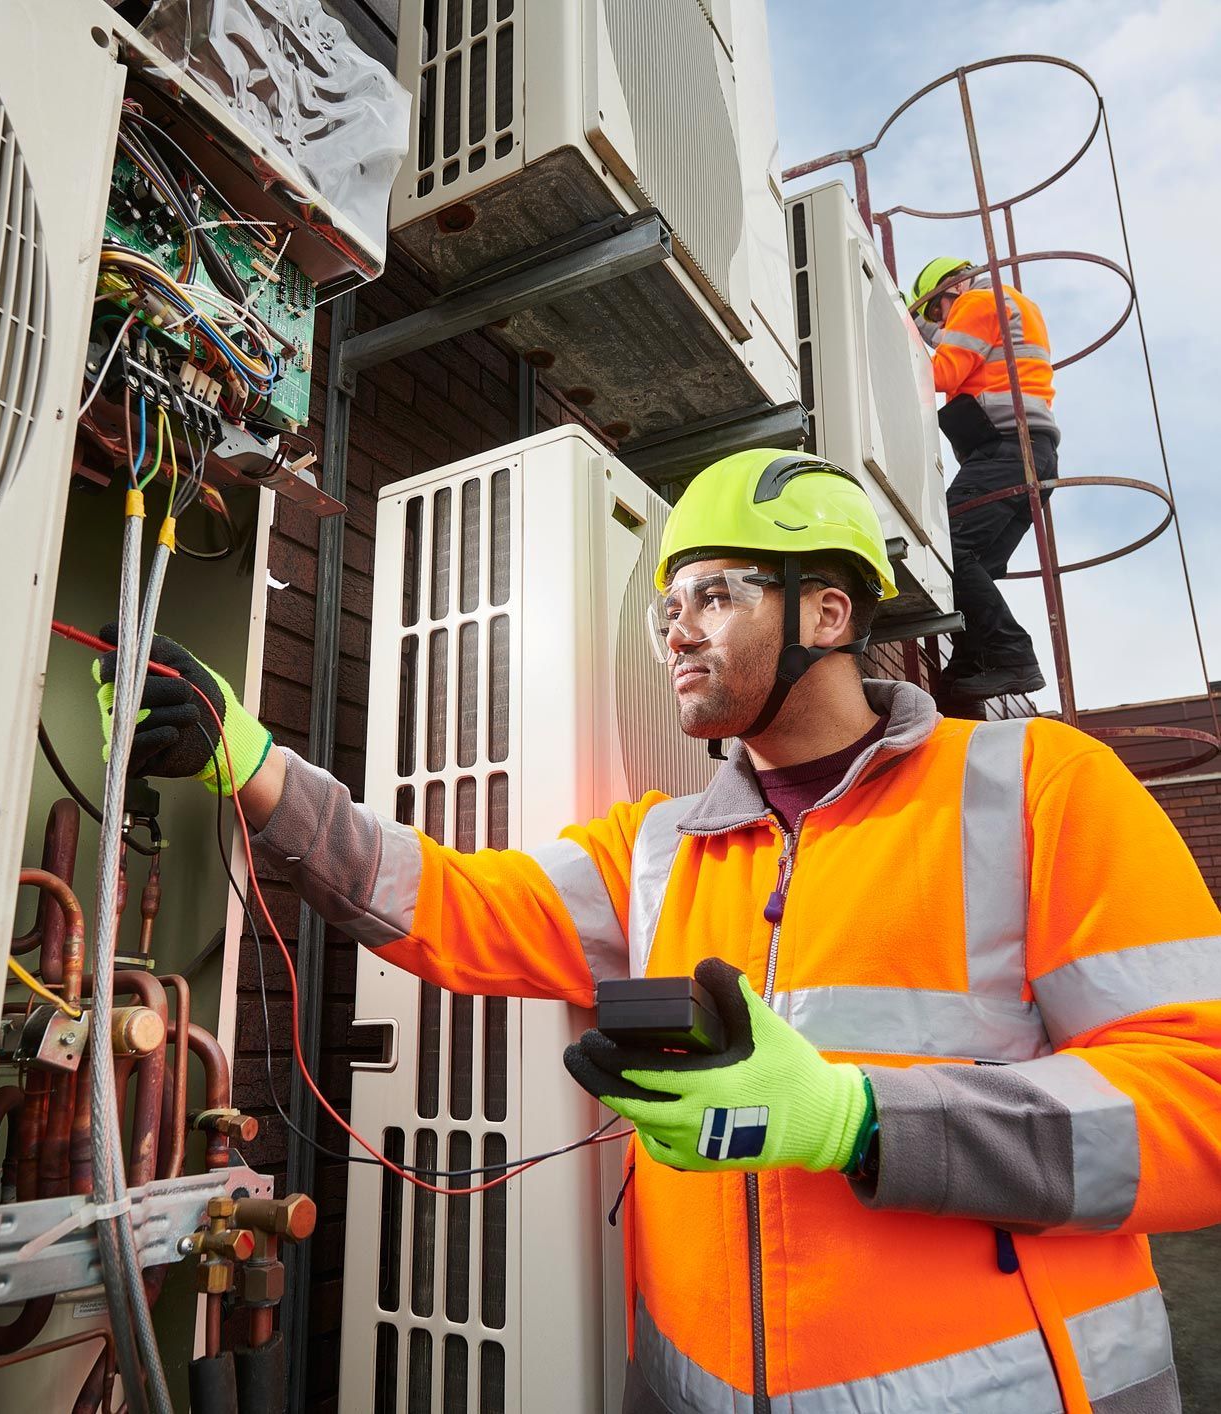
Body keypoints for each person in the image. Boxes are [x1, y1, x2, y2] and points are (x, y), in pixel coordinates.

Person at [95, 449, 1221, 1413]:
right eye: (666, 603)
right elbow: (446, 900)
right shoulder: (657, 844)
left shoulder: (1036, 787)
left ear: (828, 612)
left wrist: (861, 1117)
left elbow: (1200, 1102)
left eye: (715, 594)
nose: (674, 628)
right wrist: (253, 767)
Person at [910, 256, 1060, 700]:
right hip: (1033, 456)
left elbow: (942, 372)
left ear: (949, 289)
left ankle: (1012, 653)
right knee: (979, 566)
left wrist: (901, 336)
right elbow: (950, 343)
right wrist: (917, 325)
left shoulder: (977, 300)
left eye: (936, 309)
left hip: (1006, 452)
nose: (940, 322)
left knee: (949, 548)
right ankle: (969, 665)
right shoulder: (1004, 304)